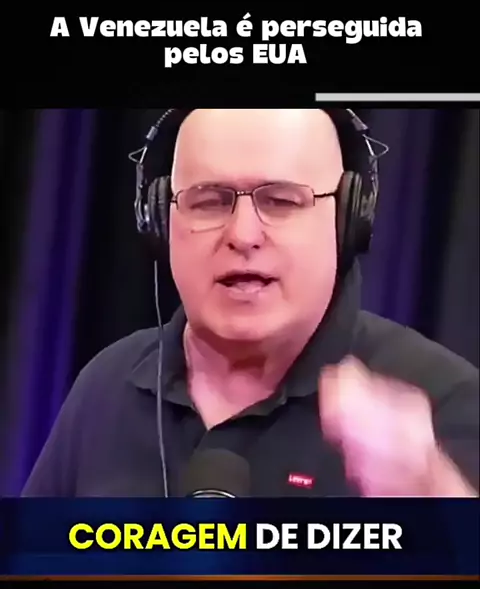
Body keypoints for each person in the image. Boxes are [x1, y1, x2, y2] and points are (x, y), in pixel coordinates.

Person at [22, 108, 478, 497]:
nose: (242, 235)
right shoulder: (107, 386)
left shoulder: (443, 403)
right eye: (209, 201)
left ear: (346, 220)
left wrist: (435, 492)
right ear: (160, 219)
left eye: (281, 201)